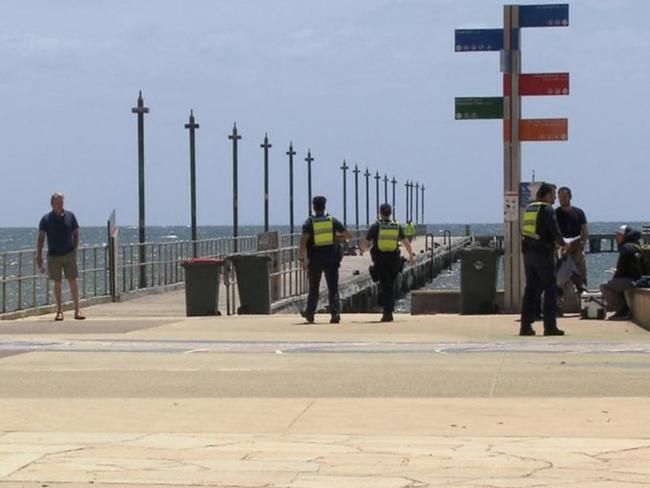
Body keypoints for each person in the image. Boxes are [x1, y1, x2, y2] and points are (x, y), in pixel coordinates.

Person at [520, 182, 567, 336]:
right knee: (550, 289)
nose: (554, 198)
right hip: (543, 254)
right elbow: (554, 230)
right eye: (553, 195)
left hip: (528, 254)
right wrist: (563, 243)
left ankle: (525, 326)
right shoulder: (547, 209)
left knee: (530, 290)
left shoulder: (530, 208)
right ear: (546, 194)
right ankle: (550, 326)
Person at [299, 196, 351, 324]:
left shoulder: (309, 222)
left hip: (315, 258)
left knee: (314, 287)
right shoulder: (332, 220)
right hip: (331, 257)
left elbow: (303, 242)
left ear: (313, 207)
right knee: (333, 287)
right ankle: (335, 314)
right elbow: (348, 235)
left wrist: (302, 259)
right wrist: (336, 238)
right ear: (324, 206)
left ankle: (310, 314)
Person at [360, 203, 416, 322]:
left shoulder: (376, 226)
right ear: (390, 213)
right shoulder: (396, 225)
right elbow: (405, 242)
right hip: (394, 260)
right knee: (389, 286)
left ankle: (387, 313)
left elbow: (366, 243)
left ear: (380, 213)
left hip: (380, 260)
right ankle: (388, 311)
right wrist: (411, 255)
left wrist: (362, 250)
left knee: (385, 287)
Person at [36, 192, 85, 321]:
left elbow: (76, 233)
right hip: (53, 256)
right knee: (57, 283)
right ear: (52, 204)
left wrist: (75, 248)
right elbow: (41, 238)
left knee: (73, 281)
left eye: (62, 202)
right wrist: (39, 255)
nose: (60, 205)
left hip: (69, 253)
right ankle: (59, 311)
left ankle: (77, 310)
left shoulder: (70, 216)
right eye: (58, 202)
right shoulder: (46, 219)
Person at [600, 225, 643, 320]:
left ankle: (623, 310)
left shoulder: (625, 248)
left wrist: (614, 278)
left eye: (619, 235)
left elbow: (621, 268)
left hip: (631, 280)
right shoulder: (636, 245)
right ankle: (623, 309)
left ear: (624, 235)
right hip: (638, 278)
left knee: (605, 286)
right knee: (615, 285)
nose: (617, 237)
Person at [555, 186, 589, 291]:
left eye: (564, 197)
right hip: (562, 248)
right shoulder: (555, 213)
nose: (562, 199)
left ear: (570, 197)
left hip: (576, 248)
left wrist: (583, 244)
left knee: (580, 274)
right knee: (560, 277)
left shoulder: (579, 212)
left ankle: (581, 292)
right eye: (560, 197)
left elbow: (585, 230)